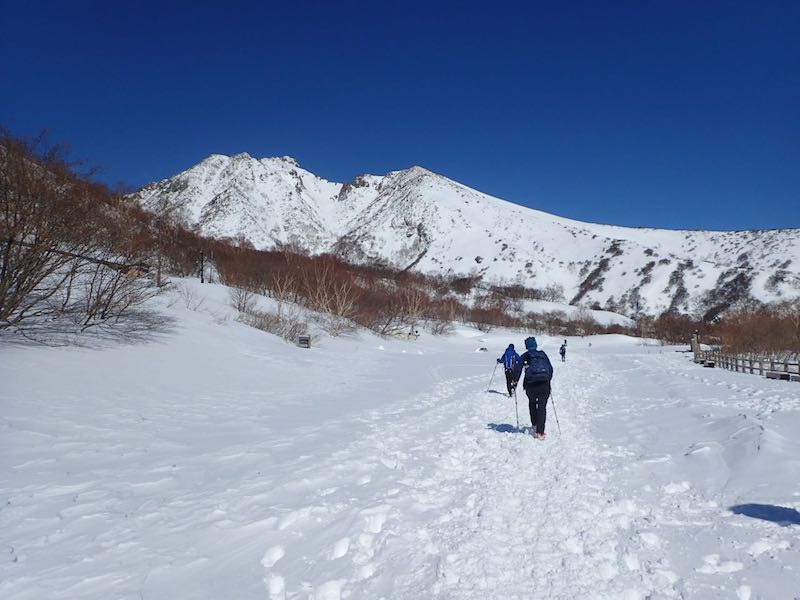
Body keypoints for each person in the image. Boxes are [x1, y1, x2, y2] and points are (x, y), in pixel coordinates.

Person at [514, 336, 554, 439]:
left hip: (530, 385)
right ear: (535, 345)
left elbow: (518, 369)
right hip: (544, 384)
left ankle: (535, 424)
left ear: (527, 346)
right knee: (542, 407)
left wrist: (515, 380)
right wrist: (548, 381)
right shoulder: (543, 354)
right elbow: (550, 369)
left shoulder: (525, 356)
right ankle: (540, 432)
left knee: (532, 403)